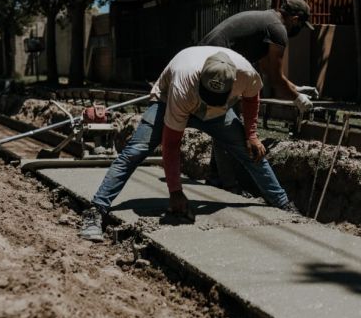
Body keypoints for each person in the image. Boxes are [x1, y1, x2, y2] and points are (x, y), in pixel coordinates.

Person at [79, 46, 294, 242]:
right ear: (200, 79)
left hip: (218, 114)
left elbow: (252, 95)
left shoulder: (246, 74)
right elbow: (171, 144)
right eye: (207, 94)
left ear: (231, 85)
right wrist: (175, 191)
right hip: (168, 100)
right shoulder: (183, 83)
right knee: (136, 151)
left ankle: (283, 204)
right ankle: (96, 210)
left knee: (251, 151)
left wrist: (252, 134)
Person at [199, 0, 319, 192]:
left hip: (206, 61)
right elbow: (273, 76)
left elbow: (265, 68)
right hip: (216, 68)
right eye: (301, 25)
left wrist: (295, 88)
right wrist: (297, 99)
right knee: (228, 128)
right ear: (295, 19)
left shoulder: (268, 21)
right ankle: (227, 183)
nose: (299, 29)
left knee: (222, 123)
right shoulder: (278, 30)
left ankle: (216, 176)